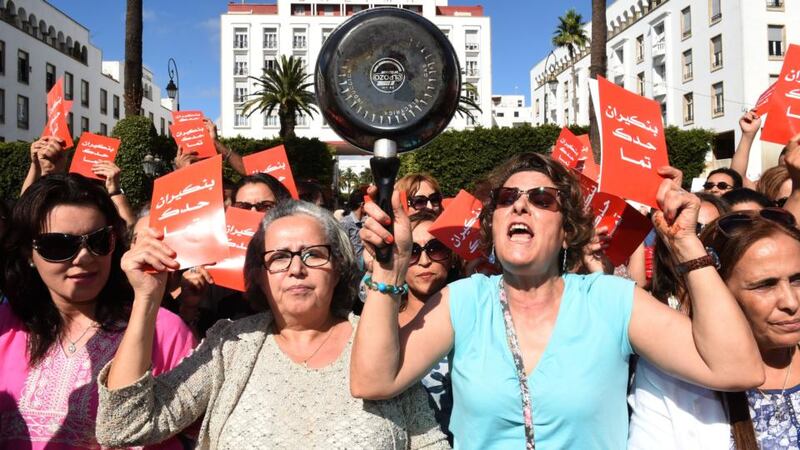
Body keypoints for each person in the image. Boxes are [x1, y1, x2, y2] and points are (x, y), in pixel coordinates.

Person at [351, 152, 764, 449]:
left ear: (568, 230)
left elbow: (736, 367)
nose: (521, 205)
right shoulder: (463, 301)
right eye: (507, 198)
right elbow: (373, 380)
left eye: (542, 199)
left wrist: (686, 242)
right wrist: (390, 271)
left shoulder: (609, 300)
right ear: (492, 223)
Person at [95, 200, 448, 449]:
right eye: (279, 257)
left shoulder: (379, 345)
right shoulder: (229, 345)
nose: (297, 268)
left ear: (339, 266)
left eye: (314, 254)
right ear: (259, 277)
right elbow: (123, 425)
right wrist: (147, 299)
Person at [0, 174, 195, 449]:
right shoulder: (5, 327)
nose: (84, 257)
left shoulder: (164, 330)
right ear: (27, 253)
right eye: (58, 245)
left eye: (98, 241)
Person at [629, 208, 800, 449]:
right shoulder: (672, 374)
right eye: (765, 285)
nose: (790, 302)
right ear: (717, 292)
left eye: (797, 279)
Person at [402, 209, 458, 443]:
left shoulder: (477, 315)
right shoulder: (381, 326)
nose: (424, 261)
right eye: (412, 251)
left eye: (435, 248)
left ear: (452, 254)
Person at [22, 136, 136, 226]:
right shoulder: (59, 200)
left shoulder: (104, 206)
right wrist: (37, 166)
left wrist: (114, 190)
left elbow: (129, 231)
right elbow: (24, 212)